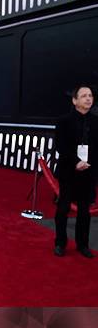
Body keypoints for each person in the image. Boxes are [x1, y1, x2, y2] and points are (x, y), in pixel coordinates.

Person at [54, 86, 98, 258]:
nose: (88, 99)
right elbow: (61, 146)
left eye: (90, 96)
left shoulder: (96, 121)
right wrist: (77, 162)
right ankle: (60, 243)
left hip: (88, 173)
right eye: (84, 96)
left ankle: (82, 244)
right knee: (63, 208)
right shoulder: (63, 121)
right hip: (69, 170)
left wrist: (90, 165)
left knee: (85, 211)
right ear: (74, 100)